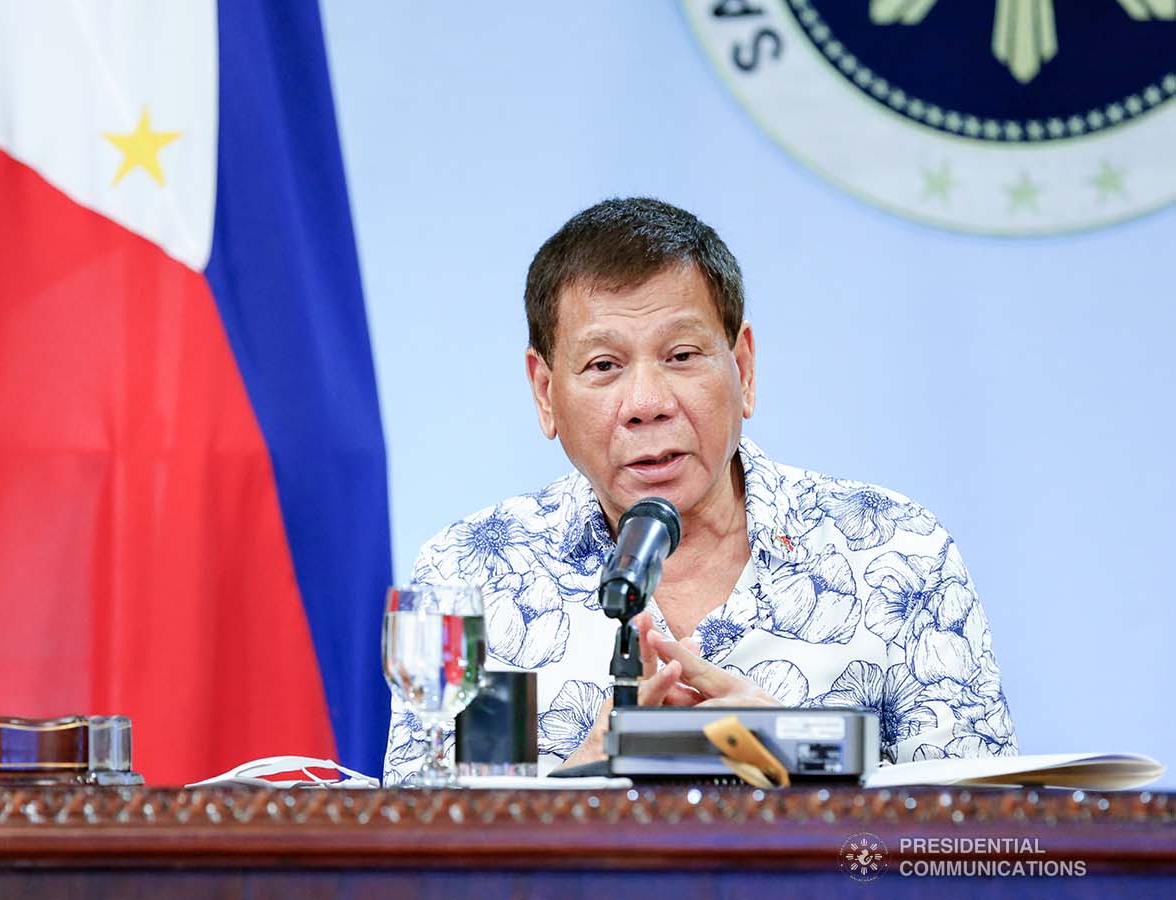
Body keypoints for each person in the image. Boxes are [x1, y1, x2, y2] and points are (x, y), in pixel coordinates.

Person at [383, 198, 1016, 783]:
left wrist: (799, 768)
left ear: (742, 368)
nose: (648, 403)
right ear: (545, 393)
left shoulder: (896, 552)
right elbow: (416, 858)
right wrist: (573, 789)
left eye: (682, 355)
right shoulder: (472, 574)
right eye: (604, 366)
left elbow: (985, 847)